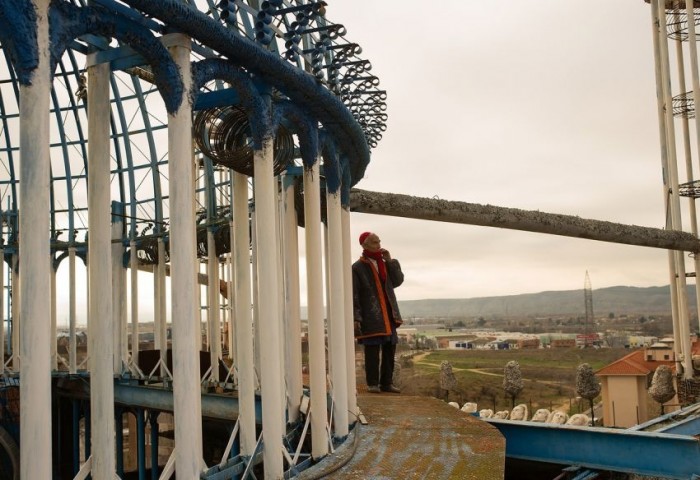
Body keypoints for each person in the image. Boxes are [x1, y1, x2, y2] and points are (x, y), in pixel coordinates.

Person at [352, 232, 404, 393]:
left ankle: (386, 383)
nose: (378, 245)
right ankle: (373, 384)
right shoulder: (357, 268)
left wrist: (390, 261)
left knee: (390, 348)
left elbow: (397, 281)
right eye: (374, 242)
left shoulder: (385, 263)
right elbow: (354, 293)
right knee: (372, 350)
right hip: (371, 315)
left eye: (379, 241)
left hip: (388, 313)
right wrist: (356, 317)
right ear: (364, 245)